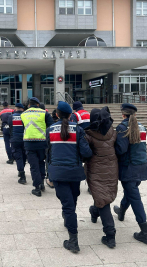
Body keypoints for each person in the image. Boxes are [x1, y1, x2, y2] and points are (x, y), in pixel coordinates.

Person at [47, 101, 92, 253]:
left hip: (58, 173)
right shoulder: (79, 130)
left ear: (57, 114)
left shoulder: (50, 129)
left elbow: (46, 152)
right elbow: (86, 153)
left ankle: (73, 241)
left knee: (68, 206)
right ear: (71, 115)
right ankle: (69, 220)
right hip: (74, 173)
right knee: (71, 201)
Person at [113, 103, 147, 244]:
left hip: (129, 168)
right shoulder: (142, 127)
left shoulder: (122, 127)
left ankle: (145, 232)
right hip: (142, 166)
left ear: (123, 114)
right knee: (131, 192)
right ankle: (121, 211)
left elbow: (121, 150)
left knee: (134, 197)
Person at [85, 107, 118, 249]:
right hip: (111, 170)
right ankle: (94, 212)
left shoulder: (88, 135)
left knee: (103, 201)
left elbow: (85, 153)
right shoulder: (113, 132)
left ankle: (110, 236)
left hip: (96, 171)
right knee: (102, 197)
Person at [21, 97, 54, 197]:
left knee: (33, 165)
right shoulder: (44, 113)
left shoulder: (23, 114)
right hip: (42, 143)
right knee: (41, 162)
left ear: (29, 105)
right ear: (38, 104)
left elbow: (25, 127)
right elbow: (51, 127)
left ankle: (37, 187)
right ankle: (42, 184)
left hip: (29, 143)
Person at [8, 103, 27, 184]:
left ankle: (22, 174)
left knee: (18, 156)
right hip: (25, 139)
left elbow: (10, 127)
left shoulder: (11, 116)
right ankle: (22, 168)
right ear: (22, 109)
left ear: (15, 109)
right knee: (24, 155)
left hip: (15, 139)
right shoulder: (25, 116)